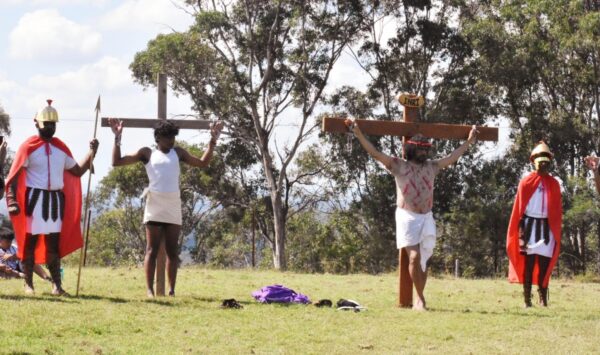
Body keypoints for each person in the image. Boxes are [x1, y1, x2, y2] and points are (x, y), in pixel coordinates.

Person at [347, 119, 478, 310]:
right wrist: (358, 134)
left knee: (423, 260)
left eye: (426, 149)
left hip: (426, 217)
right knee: (415, 257)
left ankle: (420, 298)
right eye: (420, 149)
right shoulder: (398, 165)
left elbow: (452, 156)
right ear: (411, 149)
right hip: (407, 217)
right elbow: (375, 153)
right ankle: (420, 299)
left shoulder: (432, 166)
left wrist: (469, 142)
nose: (424, 152)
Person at [108, 118, 223, 297]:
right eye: (169, 137)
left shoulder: (177, 153)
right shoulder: (147, 153)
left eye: (173, 136)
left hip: (172, 204)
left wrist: (213, 140)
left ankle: (171, 290)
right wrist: (117, 137)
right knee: (151, 249)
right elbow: (117, 162)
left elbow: (202, 163)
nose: (172, 140)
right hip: (154, 203)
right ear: (158, 137)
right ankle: (149, 290)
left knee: (172, 250)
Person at [5, 100, 98, 295]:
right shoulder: (27, 147)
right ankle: (28, 284)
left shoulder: (61, 148)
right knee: (29, 244)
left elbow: (78, 170)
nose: (50, 127)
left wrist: (92, 152)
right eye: (46, 123)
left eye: (53, 124)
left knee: (53, 246)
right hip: (34, 202)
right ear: (36, 123)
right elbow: (14, 176)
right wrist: (12, 200)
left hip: (55, 203)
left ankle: (57, 285)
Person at [506, 141, 562, 308]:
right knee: (529, 264)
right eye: (539, 159)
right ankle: (527, 300)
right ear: (534, 161)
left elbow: (556, 210)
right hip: (529, 225)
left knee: (544, 264)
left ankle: (543, 298)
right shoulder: (526, 181)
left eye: (546, 160)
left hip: (546, 227)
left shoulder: (554, 183)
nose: (543, 163)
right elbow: (519, 207)